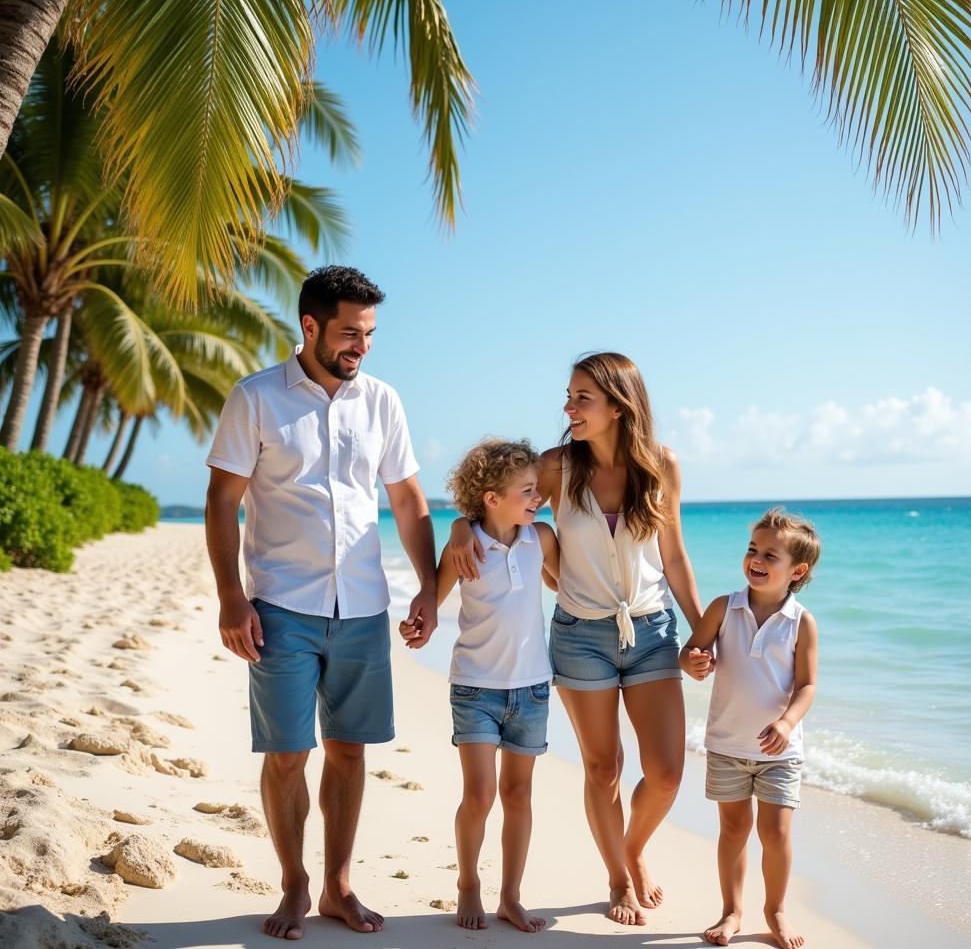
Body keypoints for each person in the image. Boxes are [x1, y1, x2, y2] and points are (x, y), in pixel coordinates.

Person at [204, 266, 437, 940]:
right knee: (285, 754)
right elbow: (223, 502)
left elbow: (407, 500)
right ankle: (293, 884)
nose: (360, 346)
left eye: (368, 334)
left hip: (363, 605)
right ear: (309, 327)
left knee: (350, 751)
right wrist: (230, 597)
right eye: (348, 333)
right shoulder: (256, 399)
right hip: (280, 606)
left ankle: (336, 884)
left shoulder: (384, 402)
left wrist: (426, 584)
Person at [447, 352, 707, 926]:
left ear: (618, 406)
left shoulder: (661, 464)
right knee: (603, 767)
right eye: (569, 395)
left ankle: (632, 849)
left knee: (665, 772)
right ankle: (618, 875)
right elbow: (490, 501)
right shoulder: (556, 467)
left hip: (653, 628)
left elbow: (675, 554)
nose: (568, 408)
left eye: (581, 397)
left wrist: (698, 629)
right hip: (579, 635)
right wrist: (461, 527)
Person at [402, 439, 559, 934]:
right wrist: (417, 625)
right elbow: (432, 598)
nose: (539, 498)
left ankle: (511, 895)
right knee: (480, 795)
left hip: (532, 688)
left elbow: (565, 584)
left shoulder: (542, 538)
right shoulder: (464, 546)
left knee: (519, 795)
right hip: (476, 688)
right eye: (528, 490)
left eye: (538, 490)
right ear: (492, 498)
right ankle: (468, 883)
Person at [682, 508, 820, 949]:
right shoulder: (724, 607)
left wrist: (787, 720)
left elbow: (808, 685)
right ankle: (731, 911)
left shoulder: (802, 622)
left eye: (770, 555)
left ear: (796, 571)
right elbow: (691, 653)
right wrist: (695, 663)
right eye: (752, 549)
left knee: (776, 834)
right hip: (726, 744)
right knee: (734, 830)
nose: (756, 559)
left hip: (780, 751)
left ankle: (775, 910)